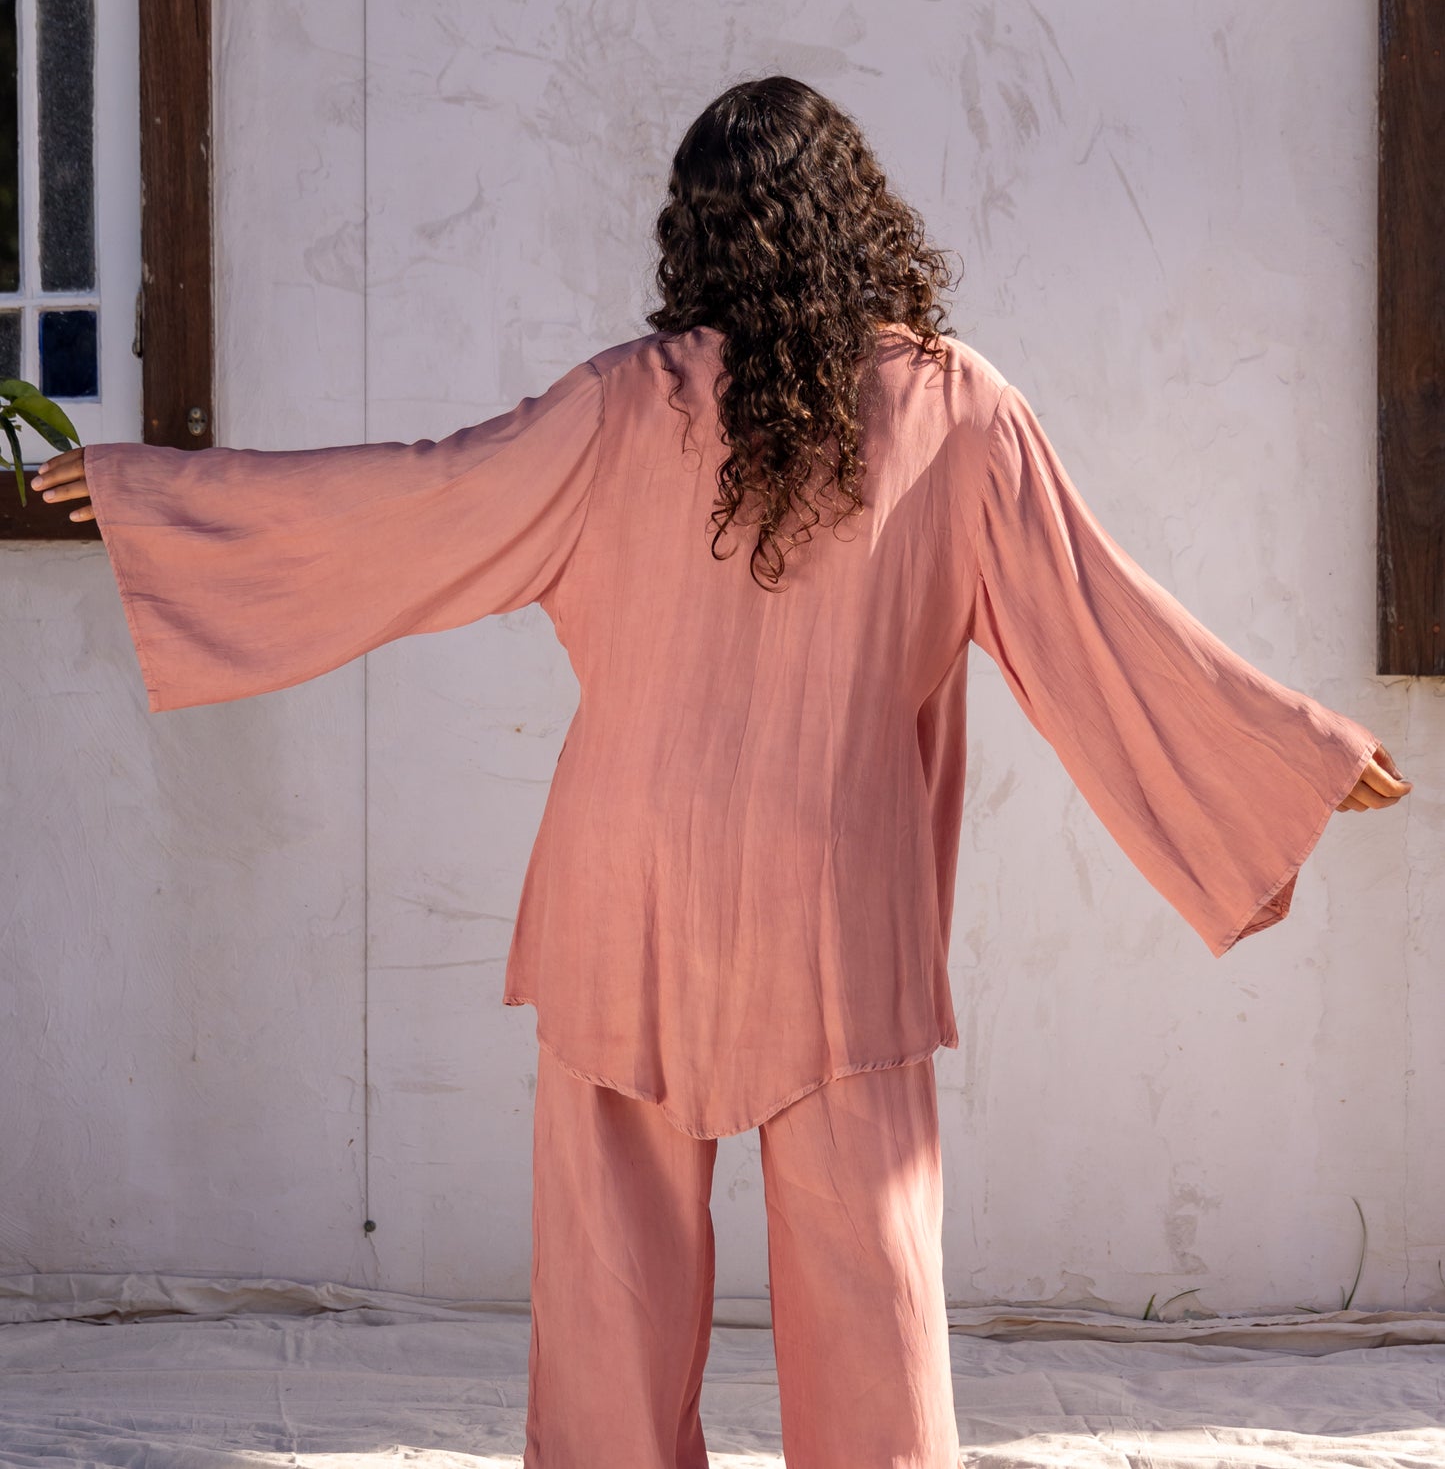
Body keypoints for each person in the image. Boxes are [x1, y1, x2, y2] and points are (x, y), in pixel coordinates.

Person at [34, 75, 1410, 1469]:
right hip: (833, 906)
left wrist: (160, 499)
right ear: (858, 216)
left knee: (607, 1284)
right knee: (868, 1272)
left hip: (625, 895)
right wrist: (1289, 755)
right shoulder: (954, 410)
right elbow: (1099, 621)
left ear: (695, 236)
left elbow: (417, 498)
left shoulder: (624, 406)